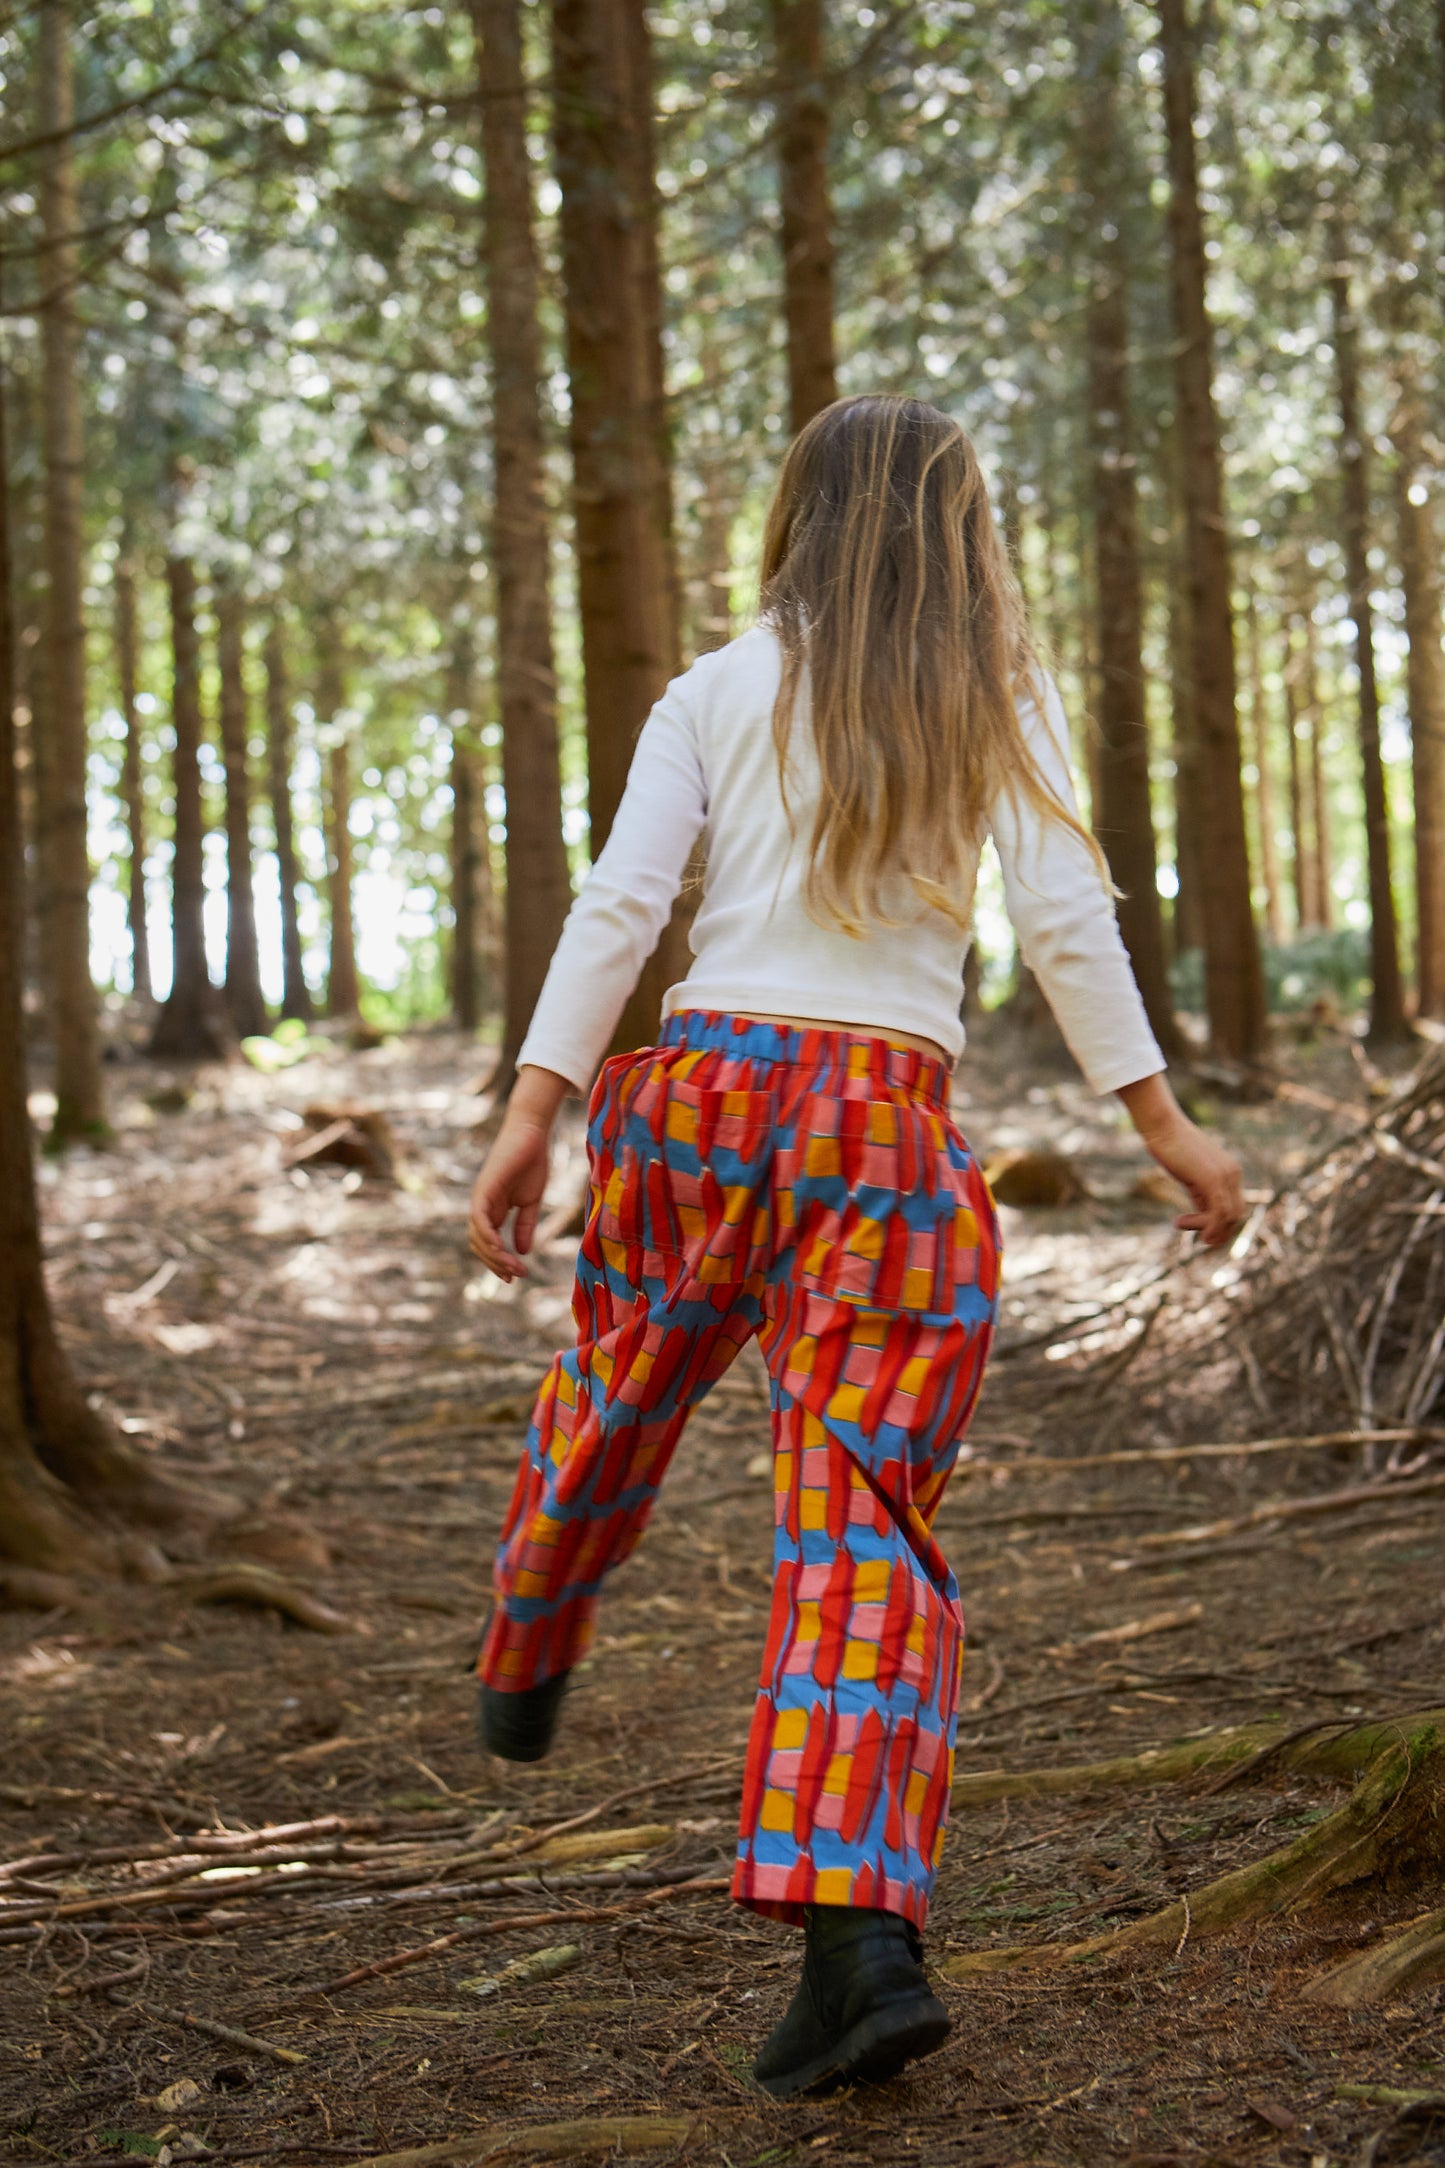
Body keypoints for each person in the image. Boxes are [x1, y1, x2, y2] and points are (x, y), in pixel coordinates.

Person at [466, 394, 1243, 2099]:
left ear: (797, 520)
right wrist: (1160, 1128)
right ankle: (856, 1940)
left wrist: (535, 1107)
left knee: (616, 1389)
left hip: (701, 1103)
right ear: (966, 534)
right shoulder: (994, 697)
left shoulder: (716, 687)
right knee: (859, 1526)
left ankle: (530, 1623)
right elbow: (1064, 917)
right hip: (884, 1138)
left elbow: (622, 903)